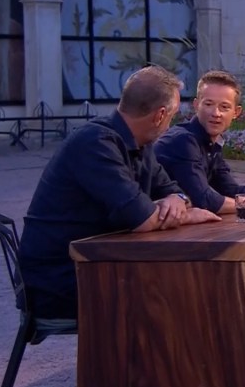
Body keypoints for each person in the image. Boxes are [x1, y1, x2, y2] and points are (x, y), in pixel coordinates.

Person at [19, 65, 221, 321]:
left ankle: (178, 348)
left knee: (192, 280)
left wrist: (177, 199)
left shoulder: (141, 144)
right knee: (178, 289)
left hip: (100, 263)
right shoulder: (95, 143)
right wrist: (187, 216)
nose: (170, 124)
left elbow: (174, 191)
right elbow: (142, 219)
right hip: (60, 280)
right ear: (160, 115)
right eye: (171, 116)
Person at [154, 69, 245, 310]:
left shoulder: (210, 142)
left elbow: (229, 187)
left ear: (236, 113)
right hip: (158, 249)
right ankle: (225, 331)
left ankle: (224, 330)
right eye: (208, 104)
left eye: (224, 107)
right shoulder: (183, 140)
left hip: (183, 239)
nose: (215, 113)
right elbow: (206, 200)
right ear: (196, 105)